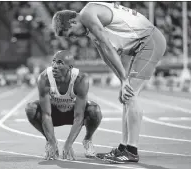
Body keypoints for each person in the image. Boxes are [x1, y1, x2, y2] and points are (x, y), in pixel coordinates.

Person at [52, 2, 166, 164]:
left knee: (131, 95)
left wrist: (125, 80)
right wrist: (122, 81)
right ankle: (124, 147)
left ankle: (132, 151)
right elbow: (105, 55)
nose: (74, 38)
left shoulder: (87, 15)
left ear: (73, 22)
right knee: (126, 97)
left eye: (71, 34)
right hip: (141, 44)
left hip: (150, 41)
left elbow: (107, 45)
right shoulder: (90, 28)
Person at [25, 50, 102, 160]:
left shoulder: (80, 79)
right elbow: (46, 114)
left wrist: (68, 144)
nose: (55, 66)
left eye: (60, 62)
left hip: (72, 113)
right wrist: (52, 141)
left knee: (95, 111)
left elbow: (79, 116)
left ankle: (88, 139)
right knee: (30, 109)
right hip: (54, 114)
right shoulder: (44, 78)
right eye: (54, 61)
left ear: (70, 67)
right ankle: (50, 141)